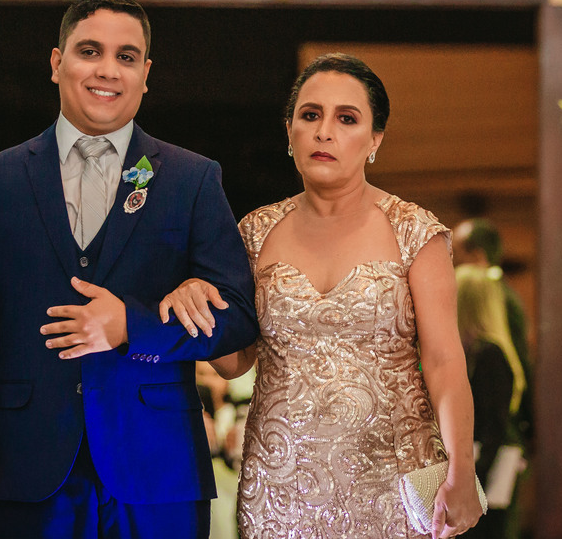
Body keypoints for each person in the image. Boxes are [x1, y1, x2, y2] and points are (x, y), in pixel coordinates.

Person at [0, 0, 259, 539]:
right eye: (89, 51)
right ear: (57, 63)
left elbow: (238, 321)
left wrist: (134, 325)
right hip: (31, 466)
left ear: (145, 74)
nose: (107, 69)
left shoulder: (192, 179)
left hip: (159, 469)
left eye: (126, 57)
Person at [161, 53, 483, 539]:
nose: (324, 132)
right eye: (310, 115)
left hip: (395, 483)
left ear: (375, 140)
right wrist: (195, 299)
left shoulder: (414, 231)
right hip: (278, 486)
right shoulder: (254, 233)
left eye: (346, 118)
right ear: (289, 132)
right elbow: (234, 363)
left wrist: (461, 471)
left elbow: (444, 361)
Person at [454, 264, 526, 539]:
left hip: (485, 469)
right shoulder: (474, 352)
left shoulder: (488, 354)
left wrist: (474, 480)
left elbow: (494, 425)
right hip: (478, 466)